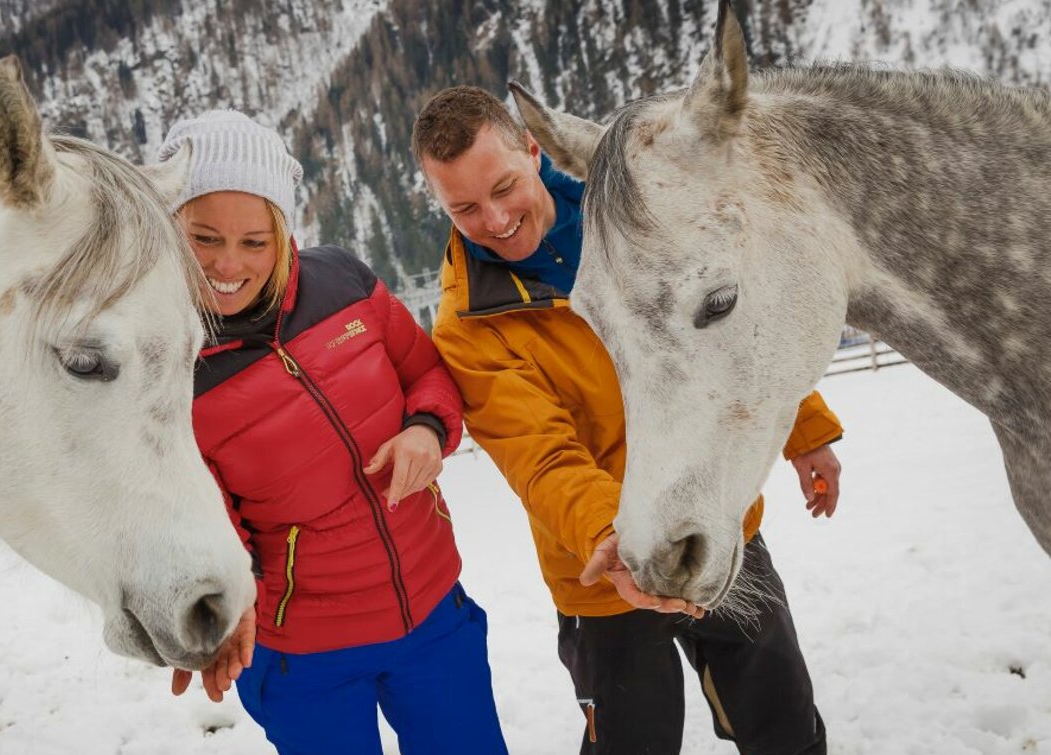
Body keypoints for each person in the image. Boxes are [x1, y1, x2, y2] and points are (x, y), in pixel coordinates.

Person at [414, 86, 844, 754]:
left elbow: (726, 324)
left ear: (534, 150)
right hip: (606, 569)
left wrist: (804, 427)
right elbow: (543, 457)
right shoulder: (468, 327)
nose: (494, 219)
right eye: (463, 207)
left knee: (783, 721)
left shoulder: (636, 214)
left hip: (714, 519)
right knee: (633, 743)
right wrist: (614, 536)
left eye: (502, 187)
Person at [160, 110, 508, 755]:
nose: (228, 265)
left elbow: (426, 373)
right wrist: (214, 618)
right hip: (302, 654)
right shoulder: (168, 368)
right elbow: (209, 529)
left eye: (254, 242)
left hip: (434, 616)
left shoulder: (344, 282)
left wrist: (428, 430)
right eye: (204, 238)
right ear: (170, 225)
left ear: (282, 231)